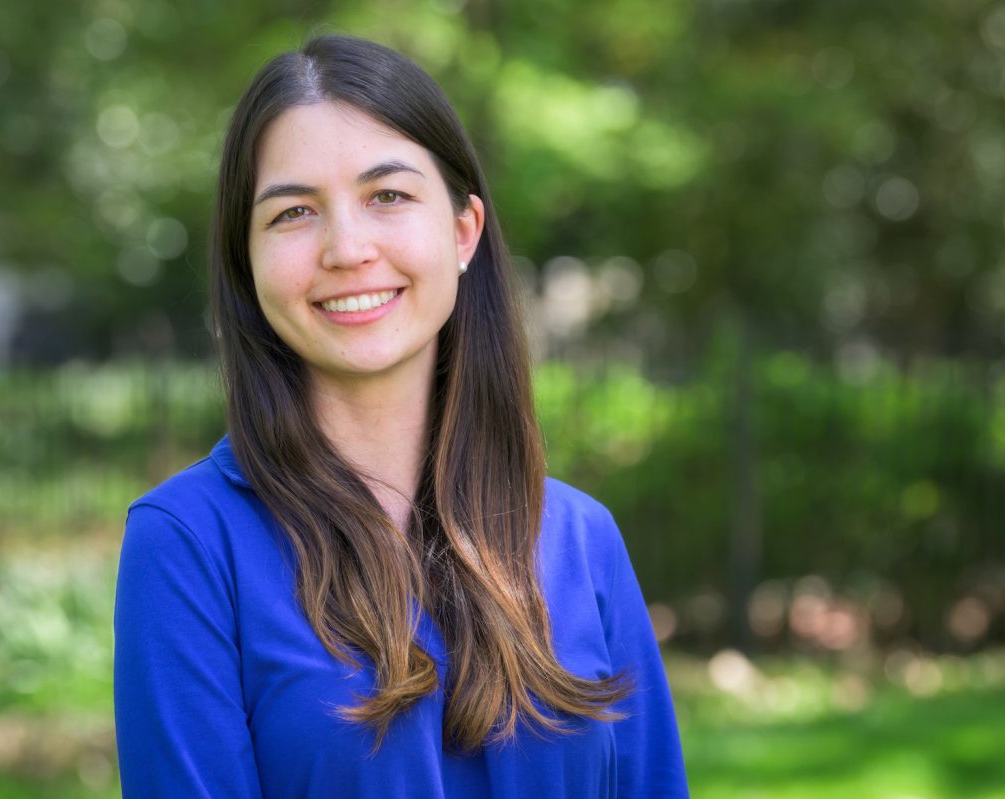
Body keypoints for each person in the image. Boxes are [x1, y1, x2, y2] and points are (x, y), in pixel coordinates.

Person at [113, 34, 689, 799]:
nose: (347, 248)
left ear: (462, 232)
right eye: (293, 212)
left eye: (387, 195)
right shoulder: (187, 545)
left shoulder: (582, 539)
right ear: (247, 265)